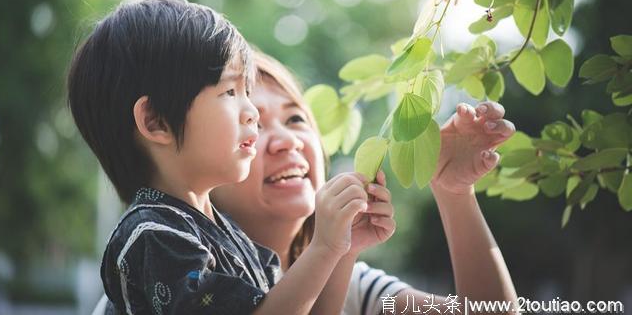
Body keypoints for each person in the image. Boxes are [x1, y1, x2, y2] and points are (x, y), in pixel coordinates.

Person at [70, 0, 391, 315]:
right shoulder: (154, 237)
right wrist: (323, 248)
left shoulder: (224, 234)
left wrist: (340, 249)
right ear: (156, 121)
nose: (251, 112)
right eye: (229, 92)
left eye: (245, 93)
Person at [210, 51, 519, 314]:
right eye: (254, 124)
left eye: (295, 119)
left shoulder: (355, 285)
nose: (288, 140)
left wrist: (454, 192)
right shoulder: (198, 284)